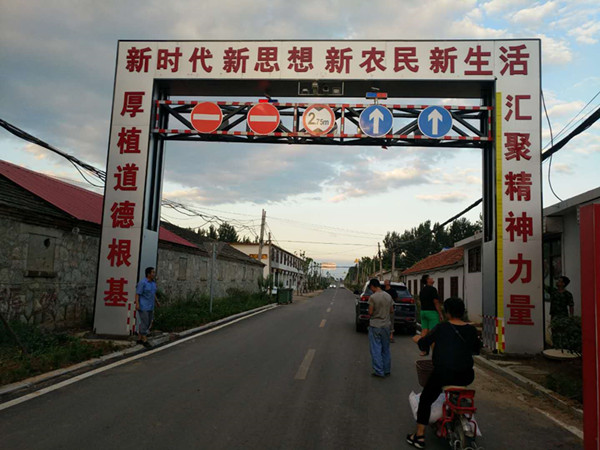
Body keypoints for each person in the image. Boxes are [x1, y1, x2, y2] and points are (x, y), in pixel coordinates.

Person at [407, 297, 481, 449]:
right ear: (462, 312)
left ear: (447, 313)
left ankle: (419, 436)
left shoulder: (441, 328)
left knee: (426, 399)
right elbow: (476, 350)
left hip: (443, 374)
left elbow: (424, 344)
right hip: (466, 376)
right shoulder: (471, 330)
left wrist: (417, 339)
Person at [367, 278, 394, 378]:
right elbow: (391, 310)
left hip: (375, 325)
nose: (371, 290)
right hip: (386, 326)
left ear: (372, 286)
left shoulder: (373, 297)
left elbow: (370, 312)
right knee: (386, 349)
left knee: (376, 349)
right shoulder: (388, 296)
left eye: (371, 288)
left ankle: (379, 370)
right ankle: (387, 369)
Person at [418, 274, 443, 356]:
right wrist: (440, 314)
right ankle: (435, 353)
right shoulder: (433, 289)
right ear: (427, 280)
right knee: (433, 333)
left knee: (424, 331)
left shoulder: (422, 290)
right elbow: (436, 302)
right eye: (430, 278)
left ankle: (423, 350)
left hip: (423, 312)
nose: (432, 278)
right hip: (432, 313)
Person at [135, 267, 160, 347]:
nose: (154, 274)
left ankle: (139, 338)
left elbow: (153, 294)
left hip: (150, 306)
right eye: (152, 272)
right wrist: (137, 304)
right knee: (145, 322)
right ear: (148, 274)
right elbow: (137, 294)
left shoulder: (153, 283)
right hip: (143, 306)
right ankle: (144, 339)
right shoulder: (142, 282)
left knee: (148, 322)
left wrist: (157, 302)